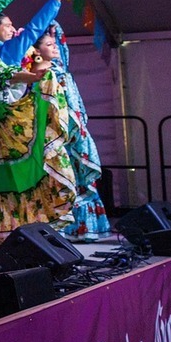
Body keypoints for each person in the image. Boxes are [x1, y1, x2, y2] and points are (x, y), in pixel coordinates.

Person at [0, 27, 76, 242]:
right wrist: (32, 76)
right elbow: (9, 76)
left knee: (11, 174)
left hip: (0, 123)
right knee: (1, 175)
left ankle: (15, 228)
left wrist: (33, 77)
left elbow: (10, 76)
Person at [34, 24, 110, 241]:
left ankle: (83, 228)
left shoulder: (61, 69)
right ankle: (62, 227)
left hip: (75, 130)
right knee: (61, 178)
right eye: (49, 45)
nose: (55, 47)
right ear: (37, 51)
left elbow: (62, 43)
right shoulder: (41, 74)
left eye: (54, 43)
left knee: (78, 176)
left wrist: (52, 24)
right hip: (57, 131)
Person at [0, 0, 70, 67]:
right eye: (8, 26)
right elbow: (34, 29)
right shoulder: (7, 51)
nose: (13, 29)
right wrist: (56, 1)